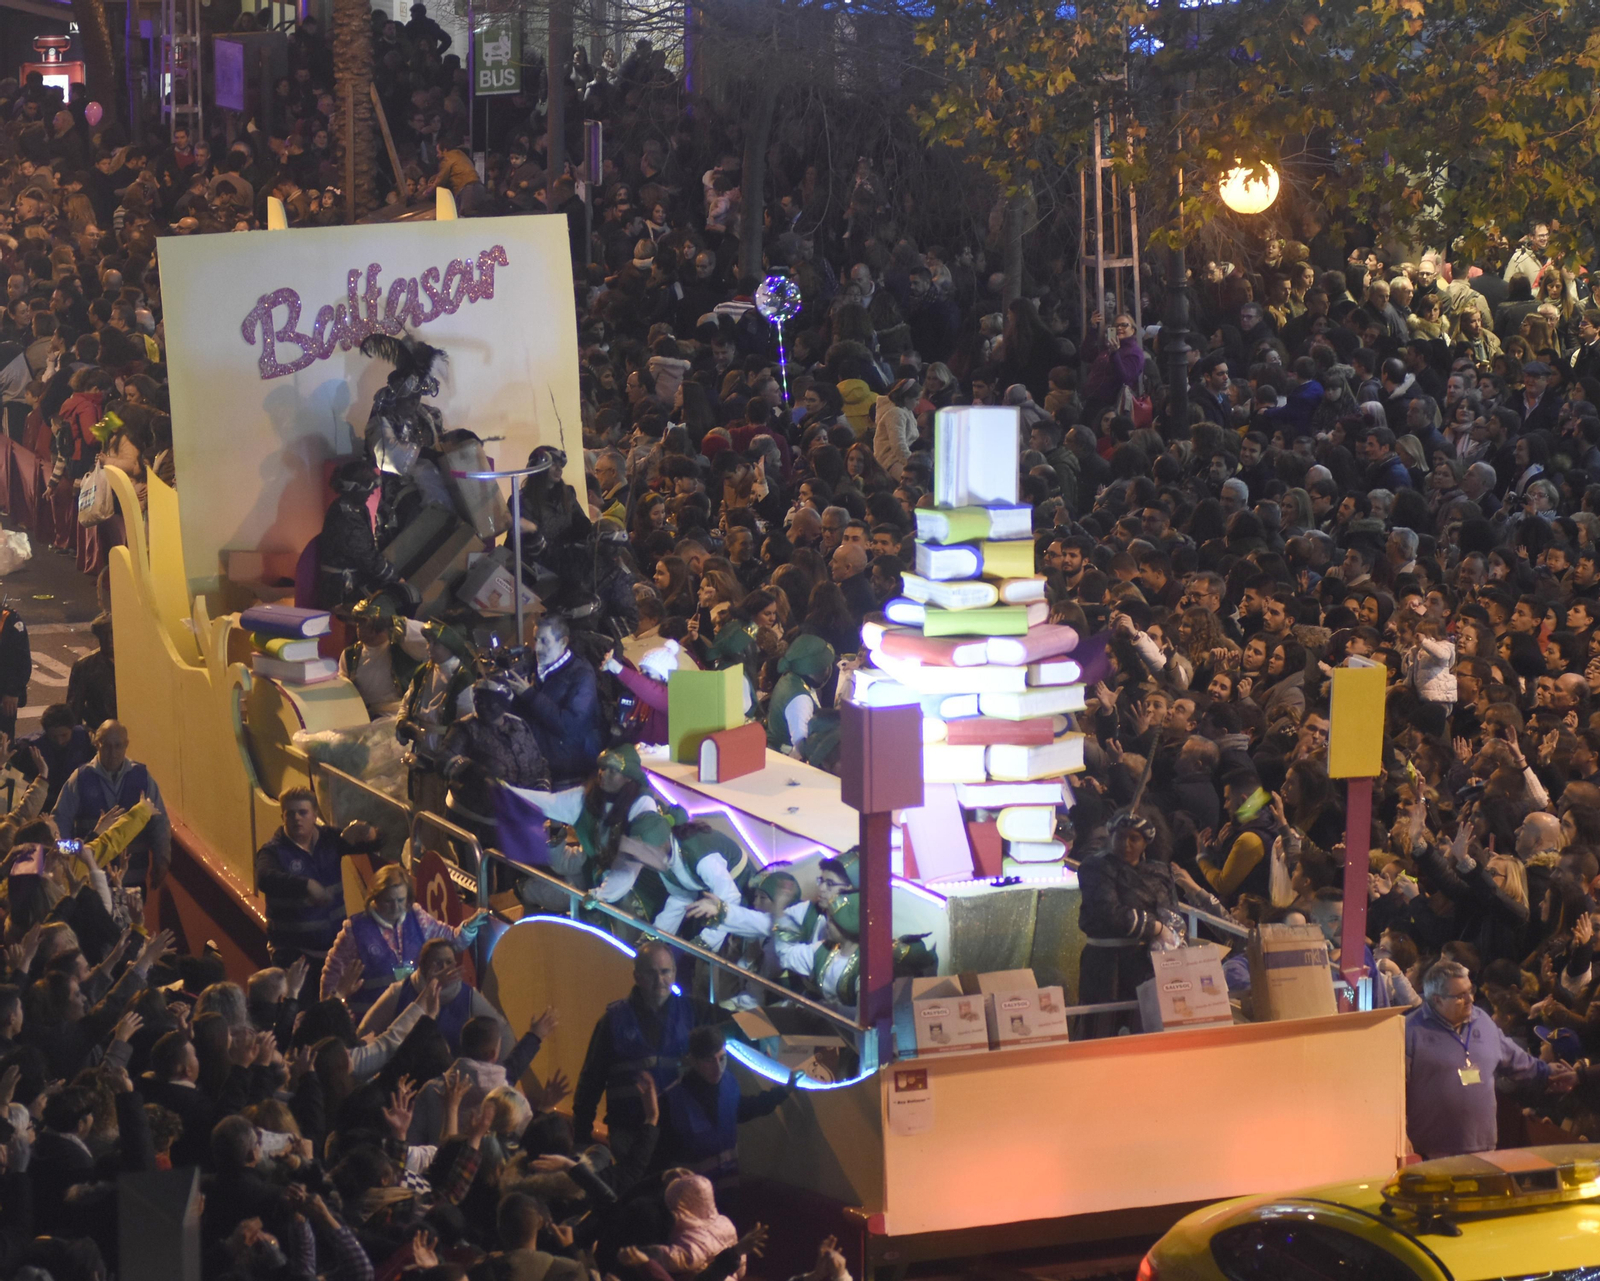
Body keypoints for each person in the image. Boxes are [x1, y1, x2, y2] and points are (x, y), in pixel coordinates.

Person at [1404, 959, 1575, 1157]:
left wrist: (1548, 1072)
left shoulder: (1483, 1021)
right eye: (1460, 996)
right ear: (1436, 1000)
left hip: (1484, 1148)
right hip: (1432, 1152)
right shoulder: (1411, 1030)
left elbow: (1516, 1059)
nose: (1470, 1000)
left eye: (1470, 990)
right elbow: (1394, 1090)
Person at [573, 941, 725, 1161]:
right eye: (651, 973)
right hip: (629, 1131)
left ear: (674, 973)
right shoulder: (613, 1021)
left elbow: (737, 1025)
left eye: (665, 972)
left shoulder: (695, 1011)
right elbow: (591, 1080)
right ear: (637, 976)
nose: (659, 980)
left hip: (680, 1129)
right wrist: (581, 1136)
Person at [320, 862, 489, 1017]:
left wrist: (469, 927)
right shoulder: (354, 930)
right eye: (388, 901)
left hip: (410, 1017)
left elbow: (452, 941)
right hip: (372, 1021)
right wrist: (333, 1017)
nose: (396, 907)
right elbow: (331, 977)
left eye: (400, 900)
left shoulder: (416, 916)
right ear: (375, 898)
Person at [253, 784, 379, 991]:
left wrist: (370, 833)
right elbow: (265, 878)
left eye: (303, 812)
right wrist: (306, 885)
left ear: (314, 815)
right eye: (290, 814)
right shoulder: (273, 852)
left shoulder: (330, 839)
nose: (296, 818)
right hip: (294, 956)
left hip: (333, 952)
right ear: (282, 817)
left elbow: (366, 844)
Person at [655, 1024, 795, 1186]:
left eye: (722, 1058)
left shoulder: (729, 1084)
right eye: (709, 1060)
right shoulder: (671, 1100)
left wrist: (785, 1090)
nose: (718, 1067)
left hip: (728, 1186)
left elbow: (746, 1108)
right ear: (692, 1060)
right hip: (691, 1197)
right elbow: (660, 1157)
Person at [52, 719, 171, 889]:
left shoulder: (143, 778)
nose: (112, 752)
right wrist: (68, 860)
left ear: (126, 745)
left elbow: (159, 823)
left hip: (132, 879)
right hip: (91, 881)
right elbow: (59, 823)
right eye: (106, 745)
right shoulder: (80, 779)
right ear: (96, 743)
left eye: (118, 745)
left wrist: (162, 860)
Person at [508, 615, 602, 787]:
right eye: (535, 640)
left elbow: (571, 725)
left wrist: (530, 695)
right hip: (535, 768)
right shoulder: (531, 667)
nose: (537, 648)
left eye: (544, 641)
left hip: (567, 774)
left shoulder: (581, 674)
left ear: (563, 642)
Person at [398, 620, 476, 815]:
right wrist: (404, 724)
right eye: (428, 642)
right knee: (421, 807)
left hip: (444, 753)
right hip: (420, 751)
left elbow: (468, 724)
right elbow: (406, 703)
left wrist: (448, 751)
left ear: (450, 646)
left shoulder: (462, 679)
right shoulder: (423, 672)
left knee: (443, 811)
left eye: (435, 643)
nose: (429, 648)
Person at [338, 595, 427, 718]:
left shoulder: (405, 647)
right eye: (360, 624)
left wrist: (392, 621)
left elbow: (428, 635)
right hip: (366, 716)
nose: (364, 630)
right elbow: (344, 691)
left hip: (400, 716)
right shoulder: (349, 654)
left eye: (370, 625)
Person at [64, 613, 111, 730]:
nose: (110, 639)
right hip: (98, 731)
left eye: (113, 633)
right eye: (105, 634)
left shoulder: (136, 661)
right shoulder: (85, 666)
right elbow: (74, 709)